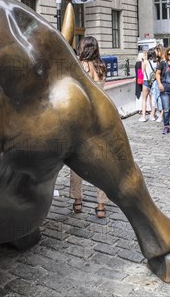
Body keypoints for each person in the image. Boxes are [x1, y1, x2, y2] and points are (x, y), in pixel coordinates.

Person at [70, 36, 108, 218]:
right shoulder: (101, 67)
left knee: (76, 162)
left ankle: (78, 201)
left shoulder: (80, 66)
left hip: (82, 118)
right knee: (102, 163)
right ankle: (101, 205)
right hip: (100, 117)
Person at [139, 49, 158, 121]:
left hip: (146, 81)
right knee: (152, 99)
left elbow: (142, 72)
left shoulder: (145, 62)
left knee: (144, 99)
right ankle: (152, 115)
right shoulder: (156, 63)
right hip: (153, 82)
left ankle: (143, 116)